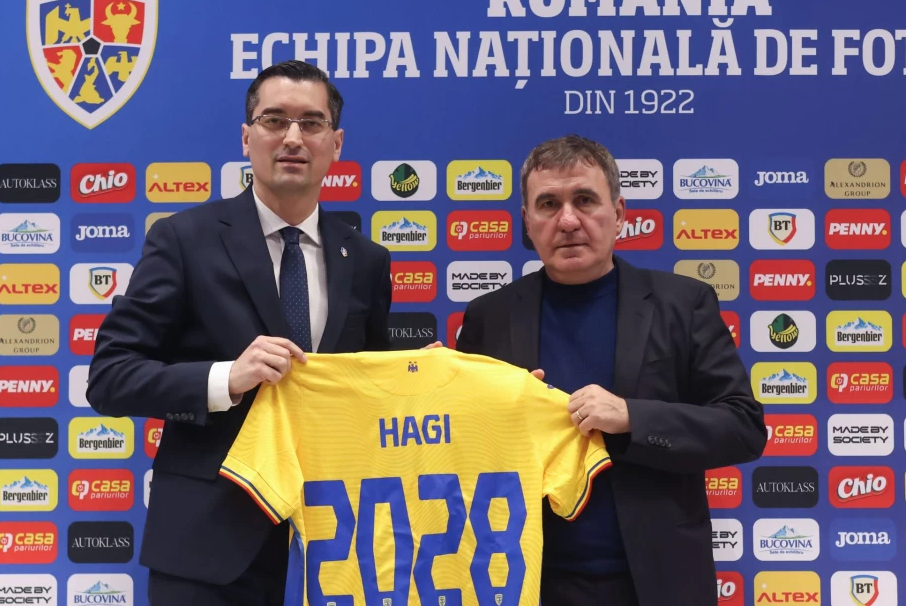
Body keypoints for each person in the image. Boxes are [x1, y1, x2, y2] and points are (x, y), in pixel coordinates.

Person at [87, 60, 394, 605]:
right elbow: (110, 377)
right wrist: (225, 379)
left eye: (312, 123)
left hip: (335, 548)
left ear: (336, 143)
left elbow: (367, 390)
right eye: (274, 120)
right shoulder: (183, 240)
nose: (293, 138)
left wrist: (416, 380)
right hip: (207, 552)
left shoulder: (366, 258)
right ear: (246, 137)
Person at [455, 135, 767, 606]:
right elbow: (465, 449)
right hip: (528, 582)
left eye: (584, 200)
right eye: (548, 204)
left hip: (657, 584)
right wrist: (436, 387)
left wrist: (632, 417)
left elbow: (743, 427)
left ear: (619, 213)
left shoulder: (683, 304)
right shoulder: (489, 317)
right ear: (527, 222)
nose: (567, 220)